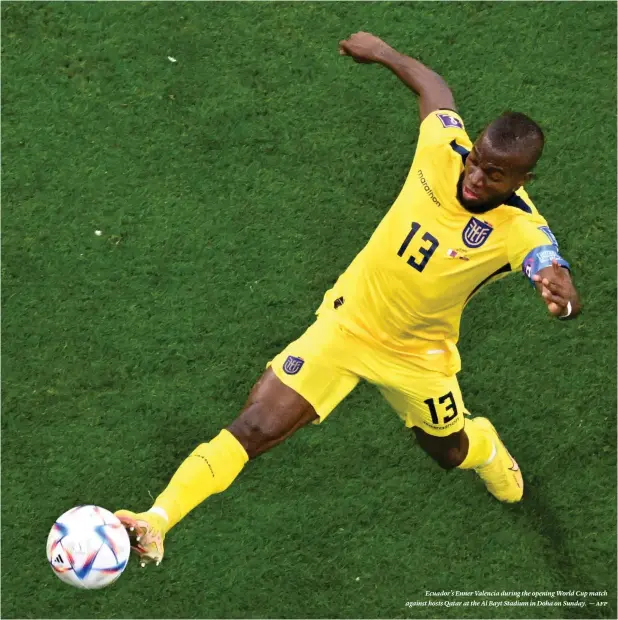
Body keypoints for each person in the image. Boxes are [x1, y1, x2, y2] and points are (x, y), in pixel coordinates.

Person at [116, 32, 581, 567]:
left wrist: (559, 293)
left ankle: (488, 448)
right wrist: (384, 53)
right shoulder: (442, 150)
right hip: (344, 325)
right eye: (476, 160)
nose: (474, 177)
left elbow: (546, 264)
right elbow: (435, 90)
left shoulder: (521, 228)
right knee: (256, 427)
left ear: (524, 178)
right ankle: (157, 519)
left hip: (418, 357)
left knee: (448, 453)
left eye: (494, 174)